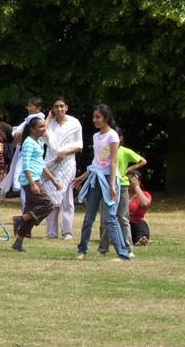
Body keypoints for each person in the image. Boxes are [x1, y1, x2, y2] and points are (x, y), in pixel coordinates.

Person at [73, 104, 130, 262]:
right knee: (88, 217)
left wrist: (112, 185)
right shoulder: (96, 136)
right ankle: (82, 249)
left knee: (110, 218)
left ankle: (123, 254)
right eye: (94, 117)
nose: (95, 120)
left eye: (98, 117)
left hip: (108, 179)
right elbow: (97, 163)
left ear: (106, 118)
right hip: (96, 179)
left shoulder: (112, 136)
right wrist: (82, 177)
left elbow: (113, 162)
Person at [11, 116, 61, 252]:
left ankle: (18, 243)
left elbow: (42, 165)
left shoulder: (38, 142)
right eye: (40, 127)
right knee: (48, 204)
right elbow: (25, 165)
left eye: (44, 126)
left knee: (31, 211)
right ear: (32, 129)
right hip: (30, 180)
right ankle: (20, 219)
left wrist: (54, 180)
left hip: (35, 179)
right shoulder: (28, 142)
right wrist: (32, 184)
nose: (43, 129)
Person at [98, 130, 145, 255]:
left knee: (123, 217)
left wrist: (130, 168)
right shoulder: (105, 150)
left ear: (120, 138)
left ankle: (128, 248)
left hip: (122, 185)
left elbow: (142, 161)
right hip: (107, 186)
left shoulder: (125, 151)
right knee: (105, 218)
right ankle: (103, 248)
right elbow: (97, 165)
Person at [43, 96, 82, 240]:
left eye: (61, 106)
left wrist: (65, 152)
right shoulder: (50, 123)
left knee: (67, 198)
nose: (59, 109)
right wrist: (48, 117)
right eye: (56, 107)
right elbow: (41, 132)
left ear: (66, 107)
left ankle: (67, 231)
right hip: (51, 163)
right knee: (51, 197)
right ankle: (51, 231)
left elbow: (79, 146)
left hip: (67, 164)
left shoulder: (74, 123)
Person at [1, 97, 46, 197]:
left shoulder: (36, 121)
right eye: (28, 106)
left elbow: (19, 135)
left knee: (24, 171)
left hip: (30, 151)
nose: (28, 108)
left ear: (38, 108)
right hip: (25, 150)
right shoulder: (29, 120)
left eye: (31, 106)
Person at [127, 171, 152, 245]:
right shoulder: (121, 193)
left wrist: (136, 187)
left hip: (137, 222)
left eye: (130, 181)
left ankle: (142, 239)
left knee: (141, 225)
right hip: (123, 222)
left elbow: (145, 204)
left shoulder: (145, 194)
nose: (128, 183)